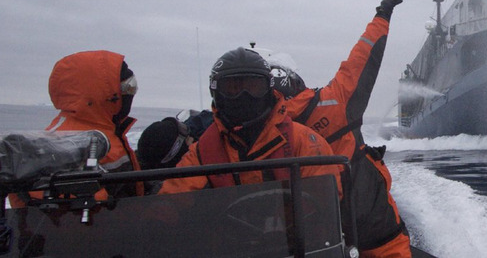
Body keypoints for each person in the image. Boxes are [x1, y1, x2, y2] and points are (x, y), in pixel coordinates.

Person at [272, 0, 411, 258]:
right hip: (369, 219)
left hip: (301, 231)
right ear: (296, 83)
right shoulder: (335, 102)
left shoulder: (261, 129)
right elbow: (363, 56)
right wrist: (382, 14)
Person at [157, 48, 341, 195]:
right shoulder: (203, 153)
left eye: (253, 87)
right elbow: (169, 207)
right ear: (216, 93)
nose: (243, 97)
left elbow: (324, 206)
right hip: (227, 240)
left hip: (291, 240)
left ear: (269, 90)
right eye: (232, 89)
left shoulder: (305, 144)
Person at [9, 50, 143, 207]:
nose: (131, 94)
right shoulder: (62, 145)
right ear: (104, 94)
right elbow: (47, 216)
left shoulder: (108, 131)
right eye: (127, 87)